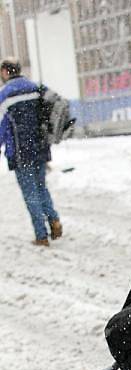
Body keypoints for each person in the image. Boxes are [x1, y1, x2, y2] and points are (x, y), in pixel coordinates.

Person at [0, 58, 62, 246]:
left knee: (30, 193)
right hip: (40, 148)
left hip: (20, 152)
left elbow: (2, 127)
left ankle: (41, 235)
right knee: (41, 187)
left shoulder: (5, 94)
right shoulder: (35, 87)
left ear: (5, 71)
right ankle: (54, 220)